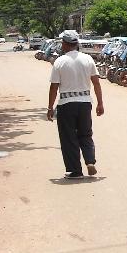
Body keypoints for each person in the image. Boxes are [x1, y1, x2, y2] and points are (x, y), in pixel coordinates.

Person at [47, 30, 104, 178]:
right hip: (85, 103)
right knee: (86, 134)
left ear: (65, 44)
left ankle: (75, 170)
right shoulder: (88, 59)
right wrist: (100, 103)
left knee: (68, 138)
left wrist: (50, 108)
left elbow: (54, 87)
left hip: (66, 104)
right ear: (77, 44)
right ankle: (90, 161)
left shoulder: (59, 61)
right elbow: (96, 83)